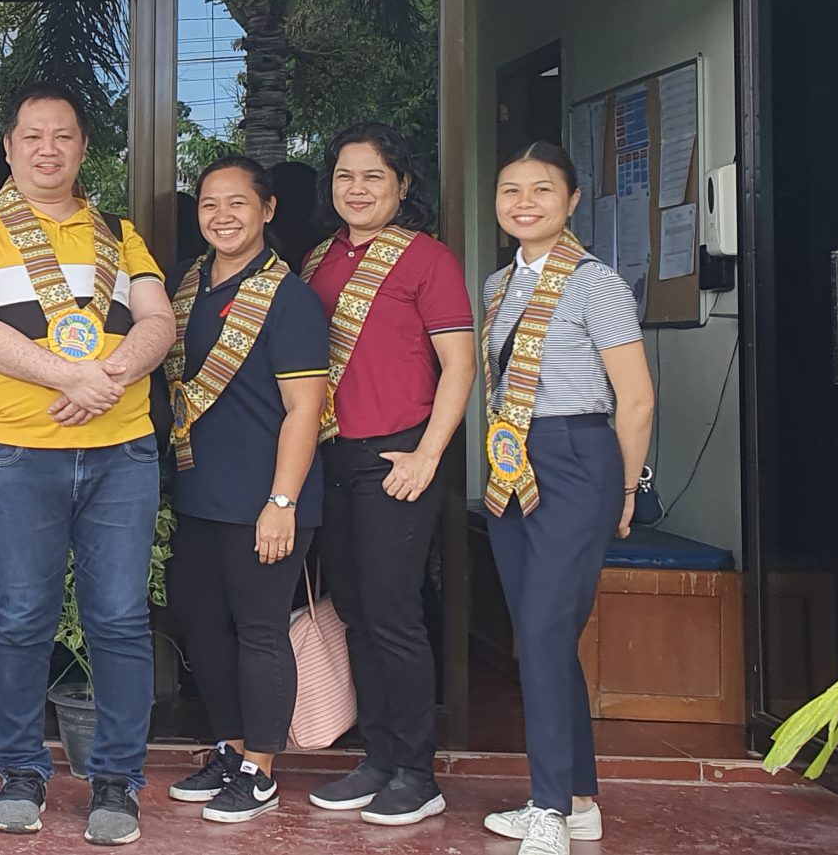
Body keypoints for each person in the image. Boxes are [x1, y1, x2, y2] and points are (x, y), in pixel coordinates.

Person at [0, 85, 174, 848]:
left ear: (82, 148)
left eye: (63, 136)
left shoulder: (119, 233)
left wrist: (102, 378)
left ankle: (116, 780)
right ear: (8, 148)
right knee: (24, 620)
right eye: (32, 136)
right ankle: (21, 772)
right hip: (20, 452)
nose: (48, 149)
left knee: (118, 619)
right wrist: (65, 376)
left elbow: (159, 322)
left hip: (122, 453)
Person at [476, 142, 653, 855]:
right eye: (511, 187)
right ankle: (578, 798)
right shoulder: (496, 284)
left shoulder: (594, 282)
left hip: (578, 460)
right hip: (512, 463)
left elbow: (636, 398)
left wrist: (627, 487)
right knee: (540, 633)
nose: (524, 201)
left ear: (572, 200)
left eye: (542, 189)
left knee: (546, 630)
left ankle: (547, 805)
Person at [298, 123, 474, 827]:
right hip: (332, 454)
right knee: (357, 613)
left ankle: (416, 768)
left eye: (374, 176)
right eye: (345, 175)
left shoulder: (427, 259)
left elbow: (459, 364)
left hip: (399, 453)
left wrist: (429, 454)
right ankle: (376, 754)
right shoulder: (317, 259)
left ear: (402, 185)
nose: (358, 189)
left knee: (394, 612)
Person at [157, 156, 330, 825]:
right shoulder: (190, 283)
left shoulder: (287, 297)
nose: (222, 216)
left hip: (266, 496)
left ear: (268, 210)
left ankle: (262, 765)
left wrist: (282, 501)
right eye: (209, 204)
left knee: (260, 631)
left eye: (237, 203)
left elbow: (304, 409)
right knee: (203, 626)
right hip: (201, 489)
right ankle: (230, 750)